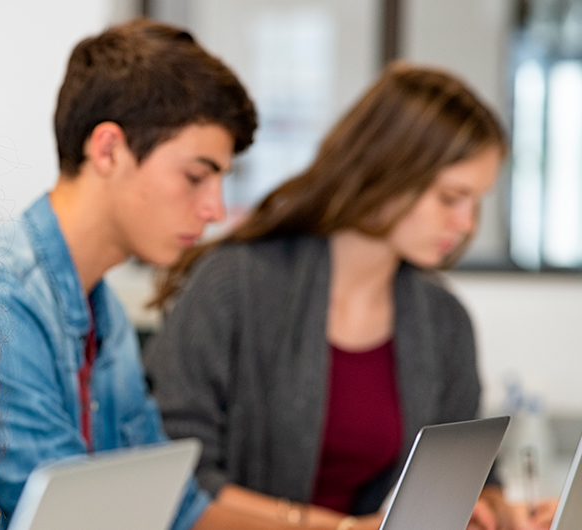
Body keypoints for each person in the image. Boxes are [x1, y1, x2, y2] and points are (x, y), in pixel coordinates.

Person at [143, 63, 543, 530]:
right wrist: (342, 529)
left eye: (476, 203)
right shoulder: (236, 285)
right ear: (388, 173)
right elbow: (176, 478)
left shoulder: (442, 319)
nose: (466, 224)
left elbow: (469, 475)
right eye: (451, 198)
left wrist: (500, 510)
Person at [0, 18, 334, 530]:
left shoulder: (106, 312)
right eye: (195, 176)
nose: (214, 209)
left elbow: (178, 502)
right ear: (108, 151)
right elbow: (75, 518)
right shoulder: (0, 297)